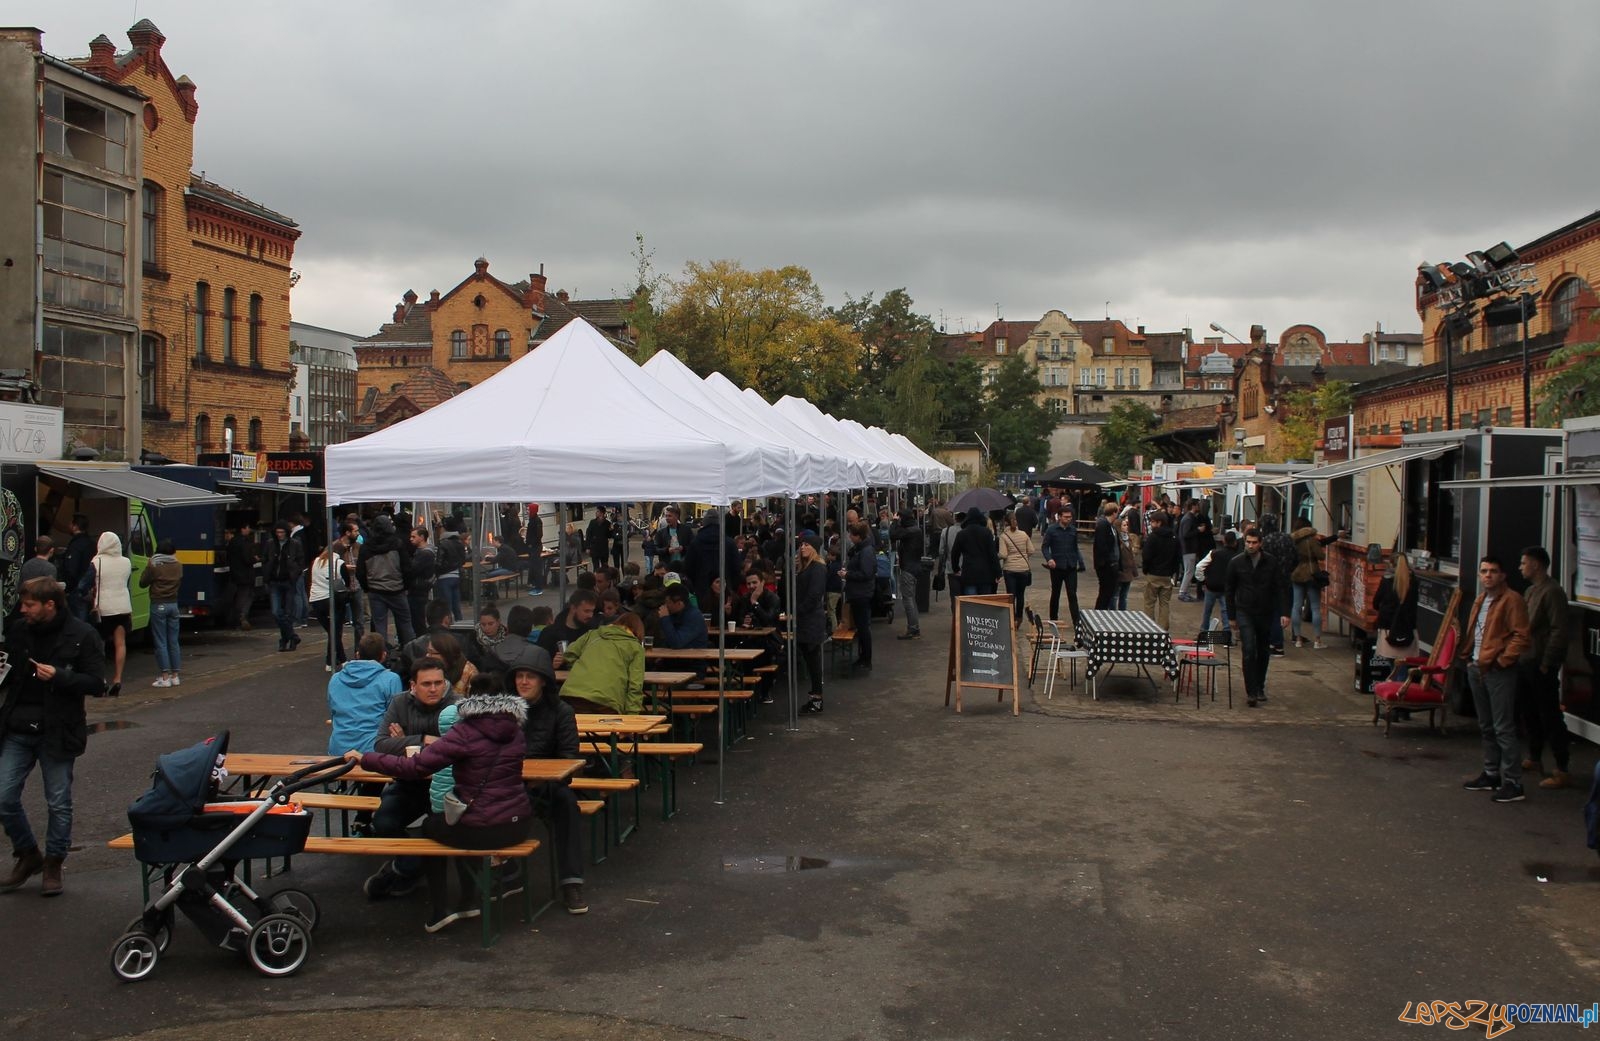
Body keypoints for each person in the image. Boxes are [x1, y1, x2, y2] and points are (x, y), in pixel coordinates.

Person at [350, 669, 532, 933]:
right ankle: (469, 899)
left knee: (432, 828)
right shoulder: (515, 731)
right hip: (518, 825)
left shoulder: (464, 732)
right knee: (461, 823)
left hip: (484, 831)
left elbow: (415, 768)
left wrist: (365, 759)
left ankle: (441, 909)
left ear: (470, 697)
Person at [0, 577, 107, 896]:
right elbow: (8, 670)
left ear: (50, 605)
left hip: (58, 729)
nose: (23, 610)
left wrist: (61, 676)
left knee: (58, 802)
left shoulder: (82, 634)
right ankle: (28, 853)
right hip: (18, 727)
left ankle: (53, 863)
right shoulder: (19, 630)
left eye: (29, 605)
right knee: (4, 797)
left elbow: (96, 683)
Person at [363, 657, 460, 900]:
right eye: (427, 684)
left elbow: (461, 747)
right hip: (409, 784)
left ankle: (404, 871)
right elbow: (381, 744)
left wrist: (403, 740)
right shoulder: (400, 703)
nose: (434, 689)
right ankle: (410, 866)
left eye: (439, 682)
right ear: (413, 686)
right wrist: (423, 739)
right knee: (383, 823)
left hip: (447, 788)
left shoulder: (458, 705)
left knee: (440, 832)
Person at [503, 642, 587, 914]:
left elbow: (570, 759)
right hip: (508, 785)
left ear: (543, 681)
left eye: (530, 676)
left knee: (566, 804)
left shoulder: (561, 712)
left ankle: (571, 882)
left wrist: (545, 778)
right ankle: (505, 870)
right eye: (519, 676)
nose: (523, 682)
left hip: (546, 786)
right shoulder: (503, 711)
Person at [1460, 556, 1532, 803]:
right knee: (1486, 725)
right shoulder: (1481, 600)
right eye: (1483, 571)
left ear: (1503, 575)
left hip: (1498, 670)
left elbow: (1521, 636)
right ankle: (1492, 773)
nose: (1487, 575)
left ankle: (1513, 781)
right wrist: (1469, 658)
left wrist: (1503, 661)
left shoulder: (1512, 600)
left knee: (1503, 727)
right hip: (1477, 666)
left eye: (1493, 571)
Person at [1517, 546, 1571, 790]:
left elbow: (1559, 630)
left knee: (1550, 715)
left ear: (1536, 565)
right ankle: (1534, 756)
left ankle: (1562, 768)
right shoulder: (1530, 591)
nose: (1520, 567)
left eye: (1524, 562)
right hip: (1525, 660)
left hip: (1541, 663)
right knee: (1529, 712)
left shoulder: (1553, 592)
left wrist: (1548, 662)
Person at [1225, 528, 1291, 708]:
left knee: (1263, 650)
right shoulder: (1236, 563)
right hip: (1244, 610)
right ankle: (1251, 691)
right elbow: (1229, 591)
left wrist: (1285, 612)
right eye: (1248, 542)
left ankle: (1260, 686)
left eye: (1254, 542)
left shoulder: (1271, 562)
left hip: (1265, 611)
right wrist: (1231, 616)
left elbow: (1280, 588)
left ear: (1260, 543)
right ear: (1244, 542)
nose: (1251, 545)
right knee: (1249, 649)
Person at [328, 634, 403, 757]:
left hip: (339, 748)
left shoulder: (335, 679)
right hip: (375, 750)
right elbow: (395, 719)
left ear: (357, 654)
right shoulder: (391, 679)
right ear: (384, 655)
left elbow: (333, 712)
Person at [556, 612, 645, 715]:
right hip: (607, 701)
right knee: (606, 728)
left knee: (575, 729)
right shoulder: (636, 648)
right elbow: (635, 685)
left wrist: (580, 669)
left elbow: (569, 654)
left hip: (572, 694)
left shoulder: (592, 634)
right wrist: (632, 716)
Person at [84, 532, 131, 699]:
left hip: (103, 609)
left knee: (100, 646)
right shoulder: (126, 561)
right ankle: (117, 679)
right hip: (123, 606)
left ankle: (102, 680)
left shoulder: (96, 562)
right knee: (120, 643)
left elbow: (86, 584)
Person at [358, 513, 415, 649]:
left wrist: (367, 587)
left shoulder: (366, 547)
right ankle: (411, 653)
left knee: (379, 626)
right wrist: (405, 586)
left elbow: (360, 571)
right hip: (397, 589)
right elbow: (406, 568)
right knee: (405, 622)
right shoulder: (397, 544)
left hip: (375, 590)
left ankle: (381, 655)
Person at [311, 524, 358, 670]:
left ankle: (331, 661)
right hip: (332, 599)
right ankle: (338, 660)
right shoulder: (339, 563)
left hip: (315, 599)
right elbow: (345, 583)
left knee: (332, 631)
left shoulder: (317, 561)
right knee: (335, 631)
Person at [1289, 520, 1339, 649]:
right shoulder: (1311, 540)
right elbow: (1321, 556)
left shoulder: (1292, 540)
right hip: (1312, 574)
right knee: (1316, 607)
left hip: (1296, 574)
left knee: (1296, 607)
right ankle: (1317, 640)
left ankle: (1298, 639)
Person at [140, 538, 183, 688]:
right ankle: (175, 676)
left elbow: (142, 583)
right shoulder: (178, 565)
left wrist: (148, 567)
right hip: (174, 605)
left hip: (158, 604)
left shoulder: (154, 565)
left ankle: (165, 677)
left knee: (161, 641)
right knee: (173, 641)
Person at [794, 535, 828, 714]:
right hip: (806, 618)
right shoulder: (805, 567)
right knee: (810, 659)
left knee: (813, 660)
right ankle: (815, 697)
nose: (802, 547)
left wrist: (799, 610)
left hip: (811, 619)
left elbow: (814, 594)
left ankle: (816, 698)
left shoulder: (817, 568)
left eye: (806, 545)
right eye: (801, 545)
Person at [262, 521, 304, 653]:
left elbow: (300, 560)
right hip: (275, 580)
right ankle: (291, 636)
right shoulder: (270, 544)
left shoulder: (295, 544)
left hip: (288, 580)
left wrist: (295, 572)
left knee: (288, 613)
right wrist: (267, 572)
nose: (280, 535)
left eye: (282, 532)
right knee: (276, 612)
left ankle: (285, 639)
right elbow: (265, 559)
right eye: (278, 532)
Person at [1040, 506, 1083, 628]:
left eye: (1070, 517)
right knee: (1055, 594)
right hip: (1057, 567)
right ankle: (1053, 619)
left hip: (1071, 566)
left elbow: (1075, 548)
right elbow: (1044, 547)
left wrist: (1080, 562)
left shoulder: (1073, 530)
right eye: (1066, 517)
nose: (1068, 519)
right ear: (1059, 517)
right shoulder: (1052, 530)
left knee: (1072, 594)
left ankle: (1076, 622)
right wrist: (1049, 559)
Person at [841, 522, 877, 672]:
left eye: (851, 535)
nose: (849, 537)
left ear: (858, 536)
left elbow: (866, 574)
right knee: (862, 628)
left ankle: (866, 658)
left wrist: (848, 574)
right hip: (859, 592)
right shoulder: (862, 550)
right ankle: (864, 657)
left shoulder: (866, 552)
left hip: (861, 593)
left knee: (863, 628)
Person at [1258, 515, 1294, 656]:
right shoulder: (1288, 539)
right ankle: (1277, 643)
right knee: (1282, 611)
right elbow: (1296, 558)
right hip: (1286, 580)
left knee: (1270, 612)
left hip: (1268, 582)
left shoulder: (1265, 542)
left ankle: (1274, 643)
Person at [1140, 512, 1180, 631]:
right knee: (1165, 603)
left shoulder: (1153, 537)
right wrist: (1173, 571)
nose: (1151, 524)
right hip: (1167, 575)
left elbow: (1146, 555)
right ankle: (1163, 629)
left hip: (1153, 573)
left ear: (1159, 522)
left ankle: (1149, 628)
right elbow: (1177, 557)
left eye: (1153, 521)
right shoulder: (1173, 536)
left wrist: (1145, 569)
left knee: (1149, 603)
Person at [950, 509, 1001, 598]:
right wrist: (998, 573)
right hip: (986, 574)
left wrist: (956, 569)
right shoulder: (986, 533)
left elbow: (954, 553)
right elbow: (992, 554)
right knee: (985, 603)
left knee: (971, 603)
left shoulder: (962, 534)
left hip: (969, 573)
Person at [890, 510, 924, 640]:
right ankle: (914, 627)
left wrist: (894, 521)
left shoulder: (909, 531)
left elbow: (893, 535)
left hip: (908, 568)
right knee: (911, 598)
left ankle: (913, 628)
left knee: (908, 599)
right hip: (915, 566)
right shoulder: (917, 529)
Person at [1196, 531, 1238, 633]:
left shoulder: (1214, 553)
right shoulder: (1237, 557)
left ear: (1223, 541)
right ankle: (1227, 633)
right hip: (1226, 588)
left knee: (1207, 610)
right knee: (1225, 610)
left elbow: (1199, 567)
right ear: (1235, 542)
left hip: (1211, 586)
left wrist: (1203, 580)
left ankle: (1204, 631)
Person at [537, 590, 601, 657]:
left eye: (592, 611)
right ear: (573, 608)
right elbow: (540, 661)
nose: (590, 615)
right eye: (586, 611)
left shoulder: (594, 632)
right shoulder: (549, 634)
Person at [997, 512, 1034, 628]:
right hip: (1023, 569)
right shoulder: (1024, 534)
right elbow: (1031, 550)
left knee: (1011, 595)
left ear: (1005, 523)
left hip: (1010, 569)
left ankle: (1011, 618)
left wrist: (996, 556)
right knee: (1020, 594)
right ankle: (1019, 618)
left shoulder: (1003, 536)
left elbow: (1003, 554)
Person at [59, 515, 94, 621]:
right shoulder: (92, 543)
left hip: (76, 590)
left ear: (75, 526)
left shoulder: (76, 545)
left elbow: (71, 569)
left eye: (70, 524)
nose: (69, 526)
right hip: (90, 589)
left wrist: (67, 588)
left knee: (77, 621)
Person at [225, 521, 258, 630]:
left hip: (234, 573)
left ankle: (235, 619)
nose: (249, 530)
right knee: (244, 597)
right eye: (248, 527)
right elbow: (247, 558)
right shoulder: (244, 542)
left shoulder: (232, 542)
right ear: (243, 529)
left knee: (236, 597)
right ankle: (240, 618)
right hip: (245, 574)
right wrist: (255, 559)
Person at [433, 517, 466, 620]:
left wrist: (436, 572)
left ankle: (448, 629)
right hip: (456, 576)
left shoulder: (443, 543)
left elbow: (439, 563)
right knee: (456, 606)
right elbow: (463, 560)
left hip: (444, 577)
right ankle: (460, 628)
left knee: (446, 608)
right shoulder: (459, 543)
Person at [657, 584, 709, 649]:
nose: (666, 605)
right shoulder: (673, 613)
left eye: (668, 602)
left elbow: (676, 643)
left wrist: (665, 619)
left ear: (679, 603)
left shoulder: (694, 616)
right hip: (671, 655)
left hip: (691, 656)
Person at [406, 526, 436, 636]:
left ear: (422, 537)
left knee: (418, 619)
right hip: (418, 588)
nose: (411, 539)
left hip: (418, 589)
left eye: (414, 536)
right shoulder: (420, 552)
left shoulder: (425, 553)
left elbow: (412, 570)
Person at [1092, 502, 1121, 610]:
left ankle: (1102, 610)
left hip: (1112, 564)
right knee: (1105, 591)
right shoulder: (1103, 525)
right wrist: (1109, 562)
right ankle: (1099, 612)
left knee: (1109, 591)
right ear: (1114, 512)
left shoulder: (1111, 526)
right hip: (1106, 565)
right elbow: (1102, 546)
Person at [1176, 500, 1202, 602]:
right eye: (1197, 505)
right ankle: (1182, 592)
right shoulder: (1188, 519)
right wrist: (1198, 530)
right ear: (1193, 506)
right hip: (1189, 548)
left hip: (1187, 548)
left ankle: (1185, 592)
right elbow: (1186, 534)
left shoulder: (1187, 518)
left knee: (1189, 571)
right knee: (1189, 571)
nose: (1199, 507)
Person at [1114, 515, 1138, 611]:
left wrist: (1134, 571)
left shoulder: (1129, 539)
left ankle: (1123, 612)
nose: (1126, 527)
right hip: (1119, 571)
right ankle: (1112, 613)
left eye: (1126, 525)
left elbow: (1132, 557)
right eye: (1124, 525)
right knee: (1115, 596)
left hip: (1128, 572)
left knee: (1124, 596)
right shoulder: (1116, 539)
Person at [584, 508, 612, 574]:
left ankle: (605, 579)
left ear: (602, 513)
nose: (596, 513)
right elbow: (588, 535)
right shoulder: (592, 522)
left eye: (597, 511)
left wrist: (611, 530)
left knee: (604, 566)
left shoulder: (607, 523)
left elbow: (609, 535)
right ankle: (596, 580)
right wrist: (587, 547)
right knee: (596, 566)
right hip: (595, 547)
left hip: (603, 547)